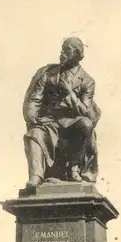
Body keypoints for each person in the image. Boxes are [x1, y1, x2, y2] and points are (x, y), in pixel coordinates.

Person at [23, 37, 101, 188]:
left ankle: (74, 168)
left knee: (85, 124)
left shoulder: (87, 81)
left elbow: (85, 111)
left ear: (78, 55)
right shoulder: (47, 74)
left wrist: (69, 93)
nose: (62, 53)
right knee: (34, 133)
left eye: (67, 50)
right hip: (49, 120)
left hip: (72, 121)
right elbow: (34, 99)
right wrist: (32, 117)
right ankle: (36, 176)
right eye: (62, 50)